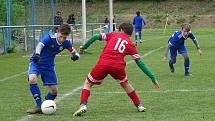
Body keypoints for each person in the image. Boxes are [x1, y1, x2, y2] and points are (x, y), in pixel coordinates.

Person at [73, 23, 160, 116]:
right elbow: (140, 63)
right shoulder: (130, 44)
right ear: (130, 33)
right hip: (118, 66)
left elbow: (95, 36)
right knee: (126, 84)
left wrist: (84, 47)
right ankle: (139, 105)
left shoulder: (114, 34)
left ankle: (83, 105)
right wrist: (152, 77)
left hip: (104, 63)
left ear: (121, 30)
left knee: (88, 83)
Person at [26, 24, 80, 114]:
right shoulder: (49, 37)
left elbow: (75, 52)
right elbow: (40, 45)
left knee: (54, 91)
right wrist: (37, 54)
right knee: (32, 79)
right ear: (57, 32)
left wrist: (76, 56)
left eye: (64, 37)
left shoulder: (66, 43)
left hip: (49, 66)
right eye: (61, 36)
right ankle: (39, 105)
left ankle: (46, 105)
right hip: (37, 62)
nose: (62, 39)